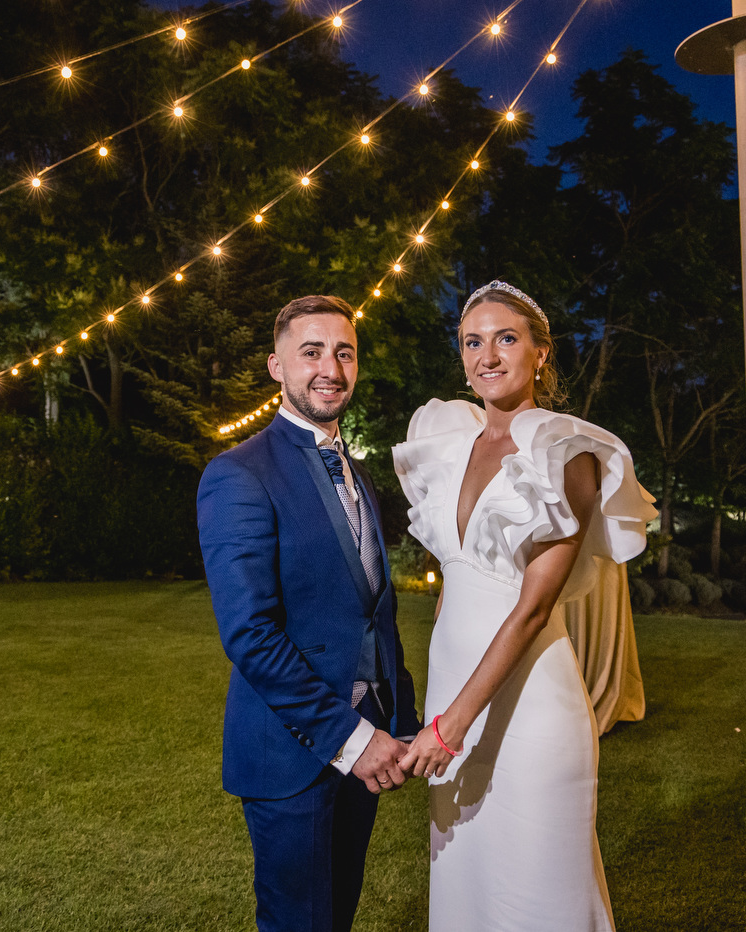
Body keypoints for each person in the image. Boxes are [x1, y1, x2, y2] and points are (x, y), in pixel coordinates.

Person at [392, 280, 657, 931]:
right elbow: (453, 582)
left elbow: (534, 608)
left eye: (505, 338)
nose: (487, 355)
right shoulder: (450, 441)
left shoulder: (565, 453)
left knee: (542, 891)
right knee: (465, 881)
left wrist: (450, 726)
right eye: (471, 341)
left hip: (531, 706)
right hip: (454, 690)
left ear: (541, 353)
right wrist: (442, 702)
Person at [197, 294, 422, 932]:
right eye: (312, 352)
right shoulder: (238, 474)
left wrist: (395, 722)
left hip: (372, 738)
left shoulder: (361, 474)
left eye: (344, 352)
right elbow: (250, 635)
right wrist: (351, 741)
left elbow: (375, 612)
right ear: (277, 366)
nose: (331, 367)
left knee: (336, 916)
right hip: (293, 752)